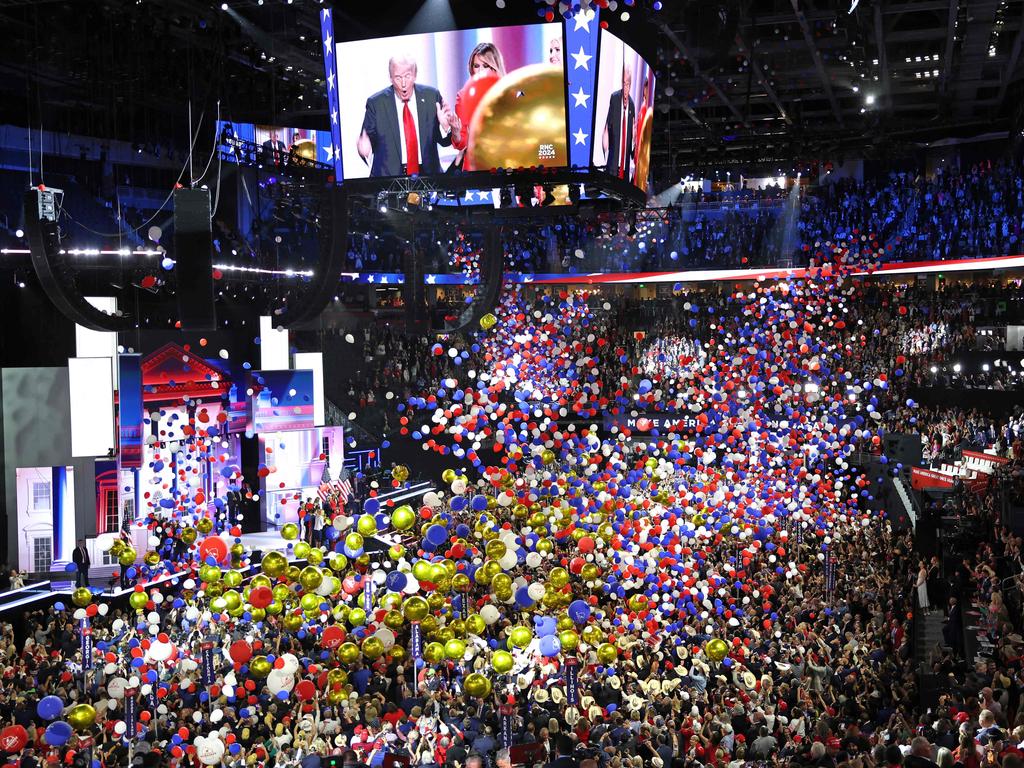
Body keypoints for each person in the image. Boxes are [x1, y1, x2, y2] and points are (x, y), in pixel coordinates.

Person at [356, 55, 460, 177]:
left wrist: (447, 128)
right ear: (390, 78)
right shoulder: (376, 103)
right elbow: (367, 141)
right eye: (398, 78)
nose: (403, 84)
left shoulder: (431, 96)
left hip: (428, 177)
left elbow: (444, 141)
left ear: (415, 75)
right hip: (389, 178)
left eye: (407, 76)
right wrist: (364, 151)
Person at [450, 42, 506, 172]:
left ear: (495, 67)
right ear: (471, 68)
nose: (480, 71)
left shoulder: (507, 92)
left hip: (503, 162)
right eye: (476, 66)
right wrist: (456, 132)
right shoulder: (463, 96)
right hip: (476, 166)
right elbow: (462, 143)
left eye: (485, 66)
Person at [601, 63, 635, 180]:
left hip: (625, 162)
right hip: (613, 156)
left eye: (628, 84)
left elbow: (633, 133)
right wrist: (605, 152)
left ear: (630, 85)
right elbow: (607, 125)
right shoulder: (615, 98)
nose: (625, 87)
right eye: (624, 83)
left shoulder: (632, 105)